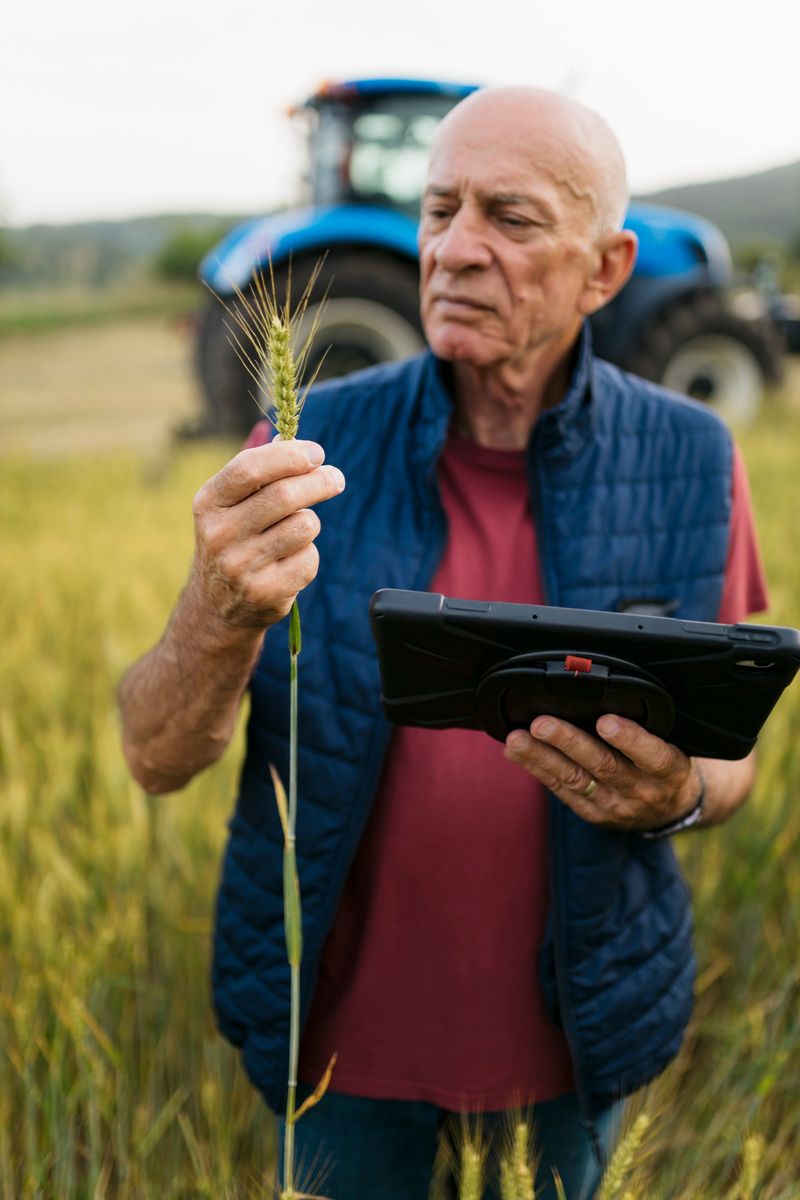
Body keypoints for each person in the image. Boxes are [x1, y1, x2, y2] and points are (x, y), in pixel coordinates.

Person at [118, 87, 768, 1199]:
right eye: (437, 209)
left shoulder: (691, 456)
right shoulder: (302, 443)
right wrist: (215, 612)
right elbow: (154, 754)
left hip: (578, 1043)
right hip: (336, 1065)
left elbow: (734, 753)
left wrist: (678, 796)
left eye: (508, 220)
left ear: (605, 269)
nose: (452, 249)